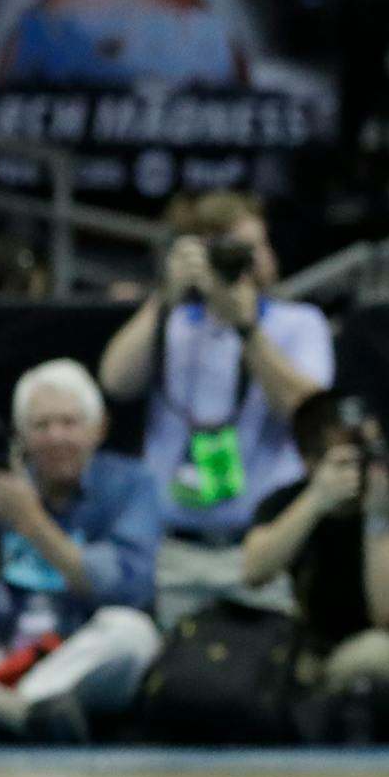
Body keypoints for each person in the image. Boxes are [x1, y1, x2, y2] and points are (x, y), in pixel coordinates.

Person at [98, 193, 336, 624]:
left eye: (260, 245)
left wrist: (246, 329)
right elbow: (115, 380)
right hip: (175, 547)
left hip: (263, 547)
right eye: (240, 248)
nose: (260, 258)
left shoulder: (298, 323)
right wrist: (166, 294)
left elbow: (309, 415)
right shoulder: (171, 322)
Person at [0, 361, 161, 739]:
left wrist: (28, 518)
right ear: (21, 435)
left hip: (72, 657)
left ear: (99, 429)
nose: (55, 437)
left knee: (134, 633)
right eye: (41, 426)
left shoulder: (130, 484)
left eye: (69, 423)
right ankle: (22, 714)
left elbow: (125, 590)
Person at [240, 392, 389, 729]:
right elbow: (254, 570)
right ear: (310, 461)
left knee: (375, 655)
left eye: (366, 453)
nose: (358, 467)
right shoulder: (289, 500)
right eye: (343, 457)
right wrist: (316, 500)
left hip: (375, 656)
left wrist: (378, 521)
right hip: (304, 651)